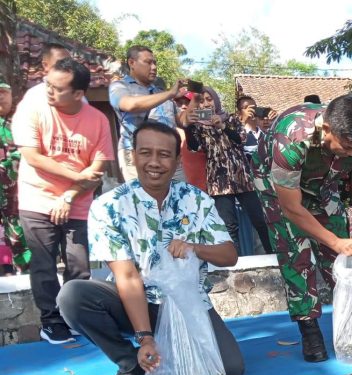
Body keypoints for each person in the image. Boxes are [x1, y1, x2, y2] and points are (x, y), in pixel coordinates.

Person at [57, 122, 244, 375]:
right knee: (73, 296)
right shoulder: (109, 206)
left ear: (177, 160)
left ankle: (168, 352)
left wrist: (195, 248)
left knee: (230, 370)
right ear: (133, 155)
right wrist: (145, 337)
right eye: (146, 153)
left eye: (164, 154)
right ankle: (129, 362)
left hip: (188, 301)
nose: (154, 162)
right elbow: (127, 277)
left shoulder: (197, 200)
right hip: (134, 301)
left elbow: (229, 255)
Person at [257, 94, 352, 362]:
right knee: (296, 254)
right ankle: (309, 328)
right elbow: (291, 208)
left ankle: (351, 324)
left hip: (324, 186)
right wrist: (334, 241)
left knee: (343, 258)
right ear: (327, 129)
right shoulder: (290, 139)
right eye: (347, 147)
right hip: (279, 190)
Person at [12, 58, 113, 344]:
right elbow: (33, 156)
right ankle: (51, 321)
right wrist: (76, 174)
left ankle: (76, 316)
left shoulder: (98, 120)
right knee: (43, 264)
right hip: (37, 196)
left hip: (77, 201)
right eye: (47, 84)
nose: (48, 91)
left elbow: (99, 167)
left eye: (57, 88)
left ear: (78, 94)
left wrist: (69, 195)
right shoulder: (33, 104)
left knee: (78, 265)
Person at [186, 87, 273, 255]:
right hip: (219, 181)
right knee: (229, 225)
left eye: (209, 99)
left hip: (242, 178)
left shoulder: (231, 119)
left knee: (260, 220)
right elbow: (194, 146)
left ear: (216, 100)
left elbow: (240, 138)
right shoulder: (198, 126)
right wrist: (188, 127)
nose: (206, 103)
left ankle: (273, 257)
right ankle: (236, 263)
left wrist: (222, 125)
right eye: (201, 100)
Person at [109, 45, 190, 181]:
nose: (154, 67)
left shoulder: (160, 92)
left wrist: (195, 102)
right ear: (131, 63)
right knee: (143, 200)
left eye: (154, 63)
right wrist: (170, 93)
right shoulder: (120, 87)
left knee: (180, 198)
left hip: (168, 153)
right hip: (137, 153)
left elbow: (182, 122)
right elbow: (130, 104)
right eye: (148, 62)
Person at [0, 79, 30, 275]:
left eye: (3, 92)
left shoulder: (21, 122)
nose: (0, 97)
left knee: (20, 234)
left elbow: (27, 151)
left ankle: (24, 271)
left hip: (16, 193)